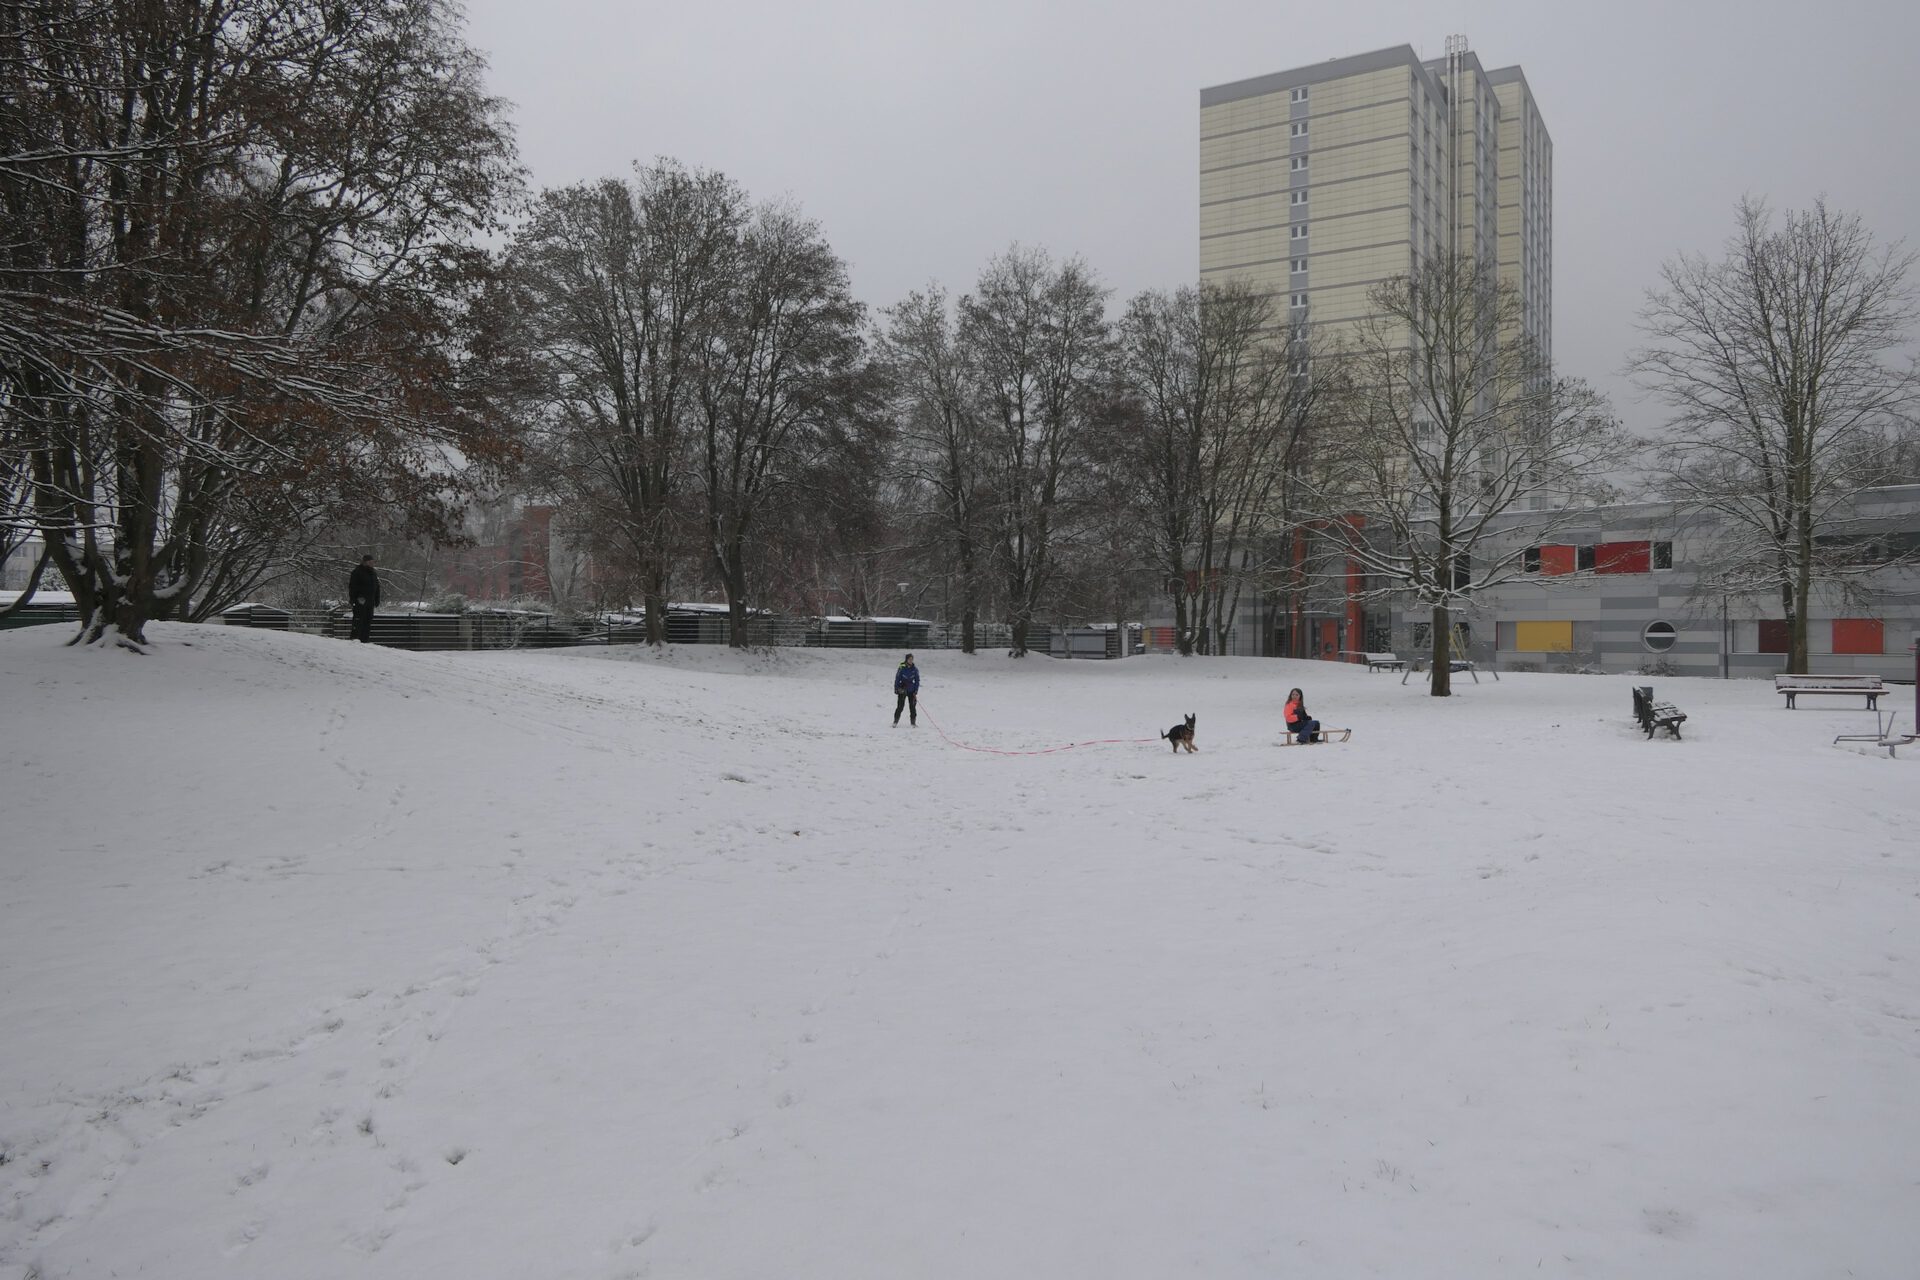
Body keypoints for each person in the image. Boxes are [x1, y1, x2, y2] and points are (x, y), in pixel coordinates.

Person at [348, 554, 380, 643]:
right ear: (365, 562)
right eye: (370, 562)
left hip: (370, 602)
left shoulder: (373, 573)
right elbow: (352, 587)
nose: (372, 563)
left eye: (373, 562)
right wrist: (354, 599)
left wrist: (377, 599)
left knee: (367, 622)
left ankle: (365, 641)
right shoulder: (357, 572)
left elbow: (377, 587)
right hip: (360, 602)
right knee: (358, 621)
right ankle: (355, 640)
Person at [892, 653, 921, 727]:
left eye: (912, 659)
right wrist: (896, 688)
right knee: (900, 706)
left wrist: (916, 690)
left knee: (912, 707)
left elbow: (917, 680)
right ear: (906, 660)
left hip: (911, 690)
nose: (911, 661)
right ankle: (895, 721)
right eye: (909, 659)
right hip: (902, 689)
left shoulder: (915, 669)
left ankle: (913, 722)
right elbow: (897, 679)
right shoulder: (901, 668)